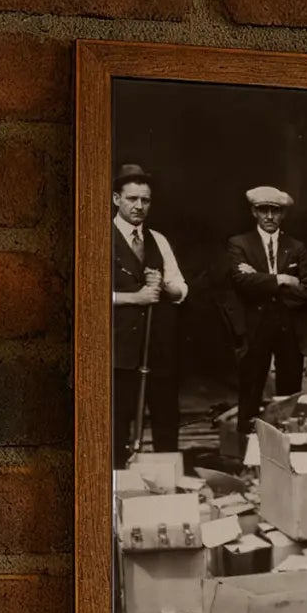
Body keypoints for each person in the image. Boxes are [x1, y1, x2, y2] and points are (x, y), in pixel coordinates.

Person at [221, 184, 307, 439]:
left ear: (283, 214)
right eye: (264, 210)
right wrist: (283, 279)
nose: (270, 216)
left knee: (289, 392)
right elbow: (241, 282)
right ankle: (245, 446)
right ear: (254, 212)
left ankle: (287, 444)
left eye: (276, 211)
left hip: (289, 327)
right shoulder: (239, 244)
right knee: (251, 388)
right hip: (254, 326)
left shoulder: (296, 247)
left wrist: (260, 279)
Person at [110, 163, 188, 460]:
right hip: (119, 347)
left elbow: (181, 289)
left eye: (145, 200)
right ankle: (117, 477)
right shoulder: (98, 237)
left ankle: (167, 477)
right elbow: (85, 296)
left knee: (166, 415)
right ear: (116, 199)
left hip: (158, 346)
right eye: (132, 199)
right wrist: (135, 298)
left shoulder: (158, 239)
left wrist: (164, 286)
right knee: (118, 417)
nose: (139, 206)